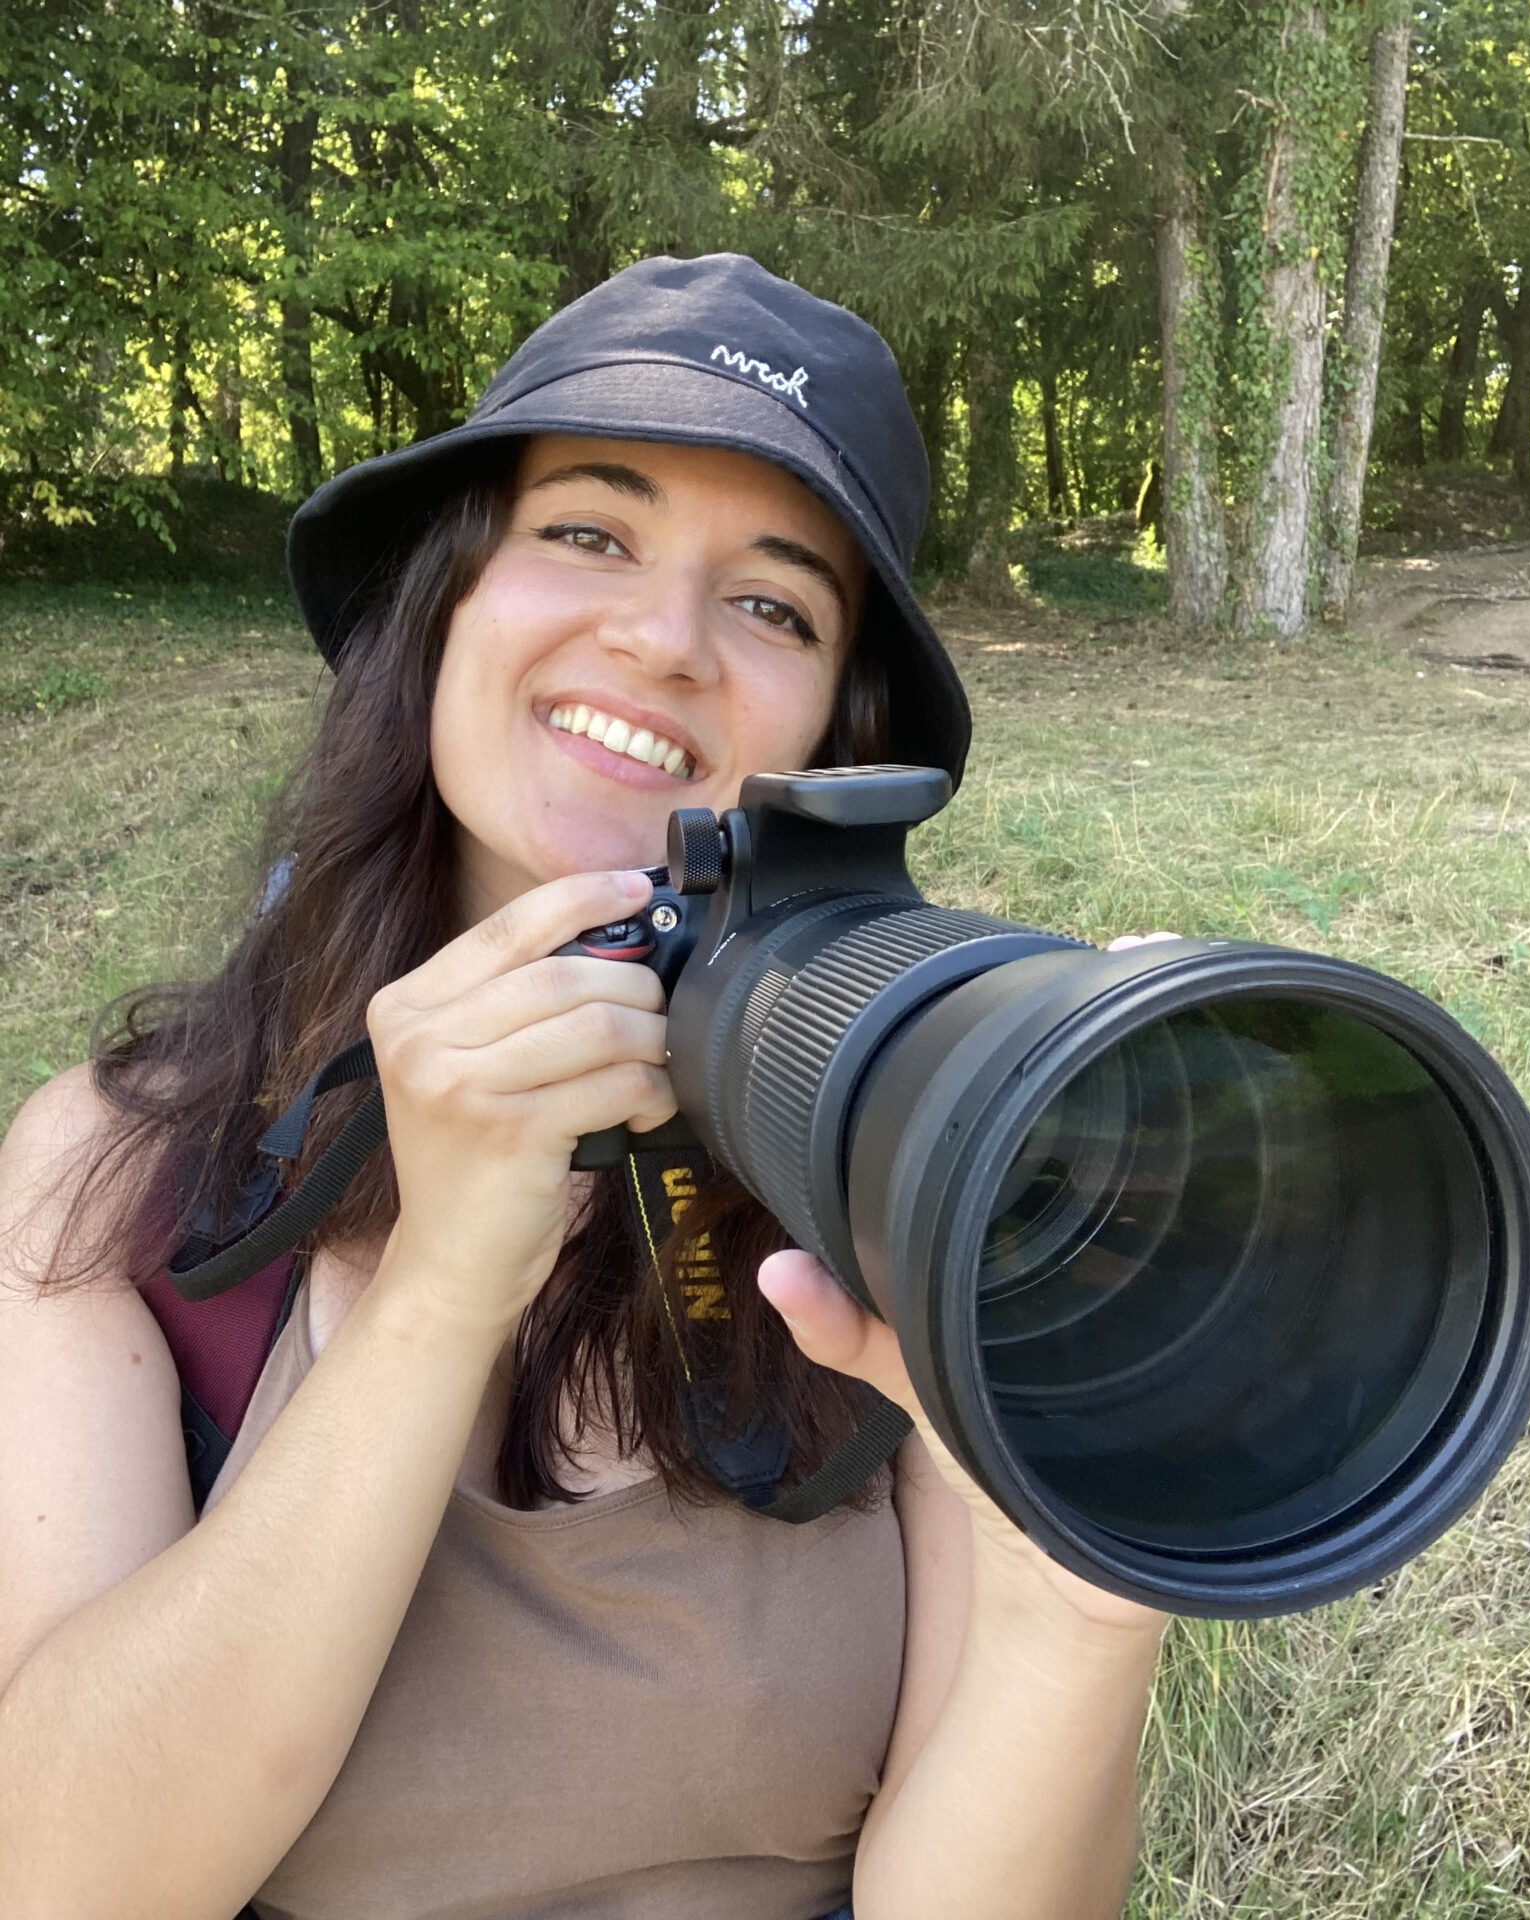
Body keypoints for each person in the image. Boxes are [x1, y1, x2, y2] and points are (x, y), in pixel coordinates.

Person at [0, 253, 1170, 1920]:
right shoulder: (121, 1177)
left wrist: (1079, 1604)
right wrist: (438, 1292)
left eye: (774, 603)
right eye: (589, 533)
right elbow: (62, 1882)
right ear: (448, 600)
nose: (664, 638)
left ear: (840, 741)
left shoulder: (910, 1158)